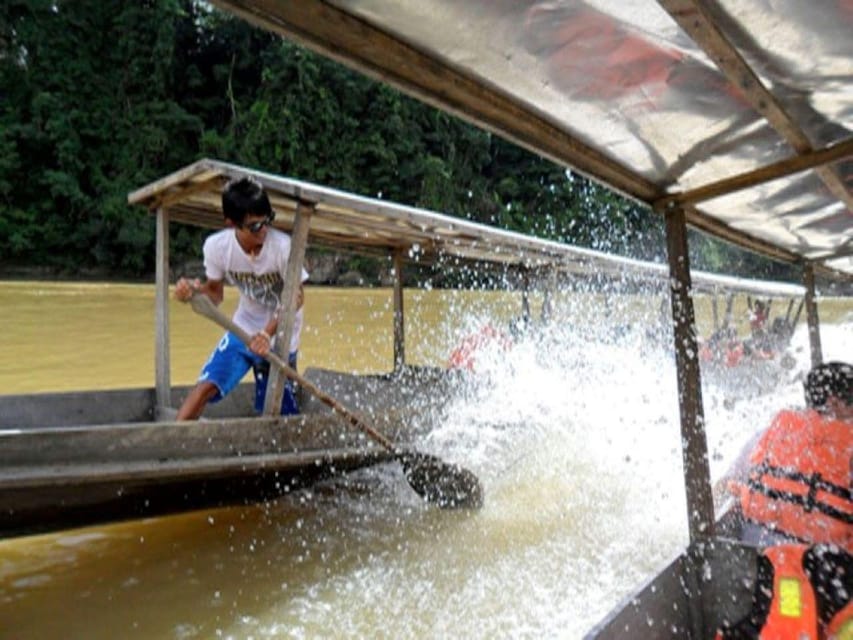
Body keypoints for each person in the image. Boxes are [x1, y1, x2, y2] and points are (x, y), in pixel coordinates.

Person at [174, 175, 308, 420]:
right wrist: (193, 292)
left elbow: (296, 298)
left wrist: (267, 333)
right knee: (205, 387)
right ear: (231, 224)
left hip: (280, 334)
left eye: (268, 221)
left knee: (277, 412)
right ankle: (168, 444)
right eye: (256, 226)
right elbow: (214, 294)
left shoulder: (282, 247)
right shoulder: (217, 248)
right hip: (243, 328)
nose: (264, 230)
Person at [727, 361, 852, 553]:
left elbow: (730, 480)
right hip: (827, 566)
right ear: (834, 403)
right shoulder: (847, 446)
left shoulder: (775, 431)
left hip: (759, 554)